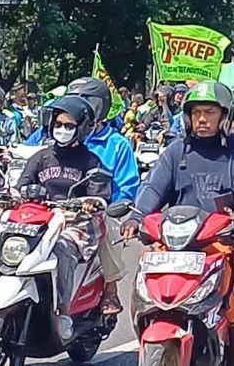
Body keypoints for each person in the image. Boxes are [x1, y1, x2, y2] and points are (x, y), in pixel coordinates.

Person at [123, 81, 234, 366]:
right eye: (196, 112)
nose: (201, 119)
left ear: (225, 117)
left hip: (227, 242)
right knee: (142, 286)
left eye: (209, 112)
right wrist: (136, 216)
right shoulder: (176, 152)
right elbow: (153, 188)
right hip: (176, 245)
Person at [14, 95, 111, 338]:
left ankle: (64, 311)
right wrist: (18, 193)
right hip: (40, 219)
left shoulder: (90, 161)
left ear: (81, 129)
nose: (62, 130)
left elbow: (99, 195)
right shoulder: (41, 157)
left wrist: (89, 203)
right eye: (58, 124)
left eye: (69, 126)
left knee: (62, 248)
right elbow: (21, 183)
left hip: (74, 222)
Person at [65, 77, 139, 315]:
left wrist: (109, 207)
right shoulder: (59, 134)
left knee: (103, 223)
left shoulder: (116, 144)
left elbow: (128, 186)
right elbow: (30, 150)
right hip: (59, 207)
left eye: (87, 102)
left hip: (99, 211)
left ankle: (110, 289)